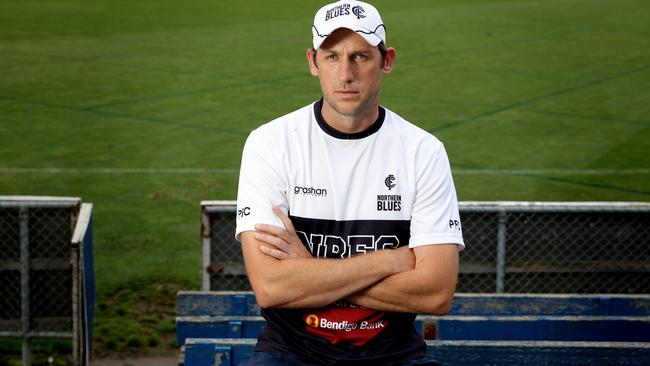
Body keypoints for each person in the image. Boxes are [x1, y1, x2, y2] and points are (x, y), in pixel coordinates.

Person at [235, 1, 464, 364]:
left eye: (360, 56)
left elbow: (435, 294)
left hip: (394, 355)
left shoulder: (424, 151)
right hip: (291, 353)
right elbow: (271, 287)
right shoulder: (271, 143)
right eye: (332, 57)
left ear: (386, 61)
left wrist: (308, 268)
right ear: (313, 62)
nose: (345, 74)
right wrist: (390, 260)